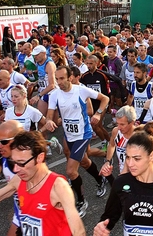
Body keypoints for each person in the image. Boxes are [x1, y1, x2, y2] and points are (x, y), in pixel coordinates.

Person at [0, 131, 86, 236]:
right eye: (14, 162)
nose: (16, 169)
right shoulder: (19, 180)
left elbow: (78, 231)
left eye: (21, 163)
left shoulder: (58, 186)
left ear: (39, 157)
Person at [44, 66, 109, 216]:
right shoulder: (54, 95)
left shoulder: (81, 90)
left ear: (70, 77)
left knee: (71, 171)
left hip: (82, 134)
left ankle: (81, 202)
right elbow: (49, 114)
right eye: (57, 79)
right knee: (85, 162)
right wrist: (48, 121)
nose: (59, 82)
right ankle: (101, 180)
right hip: (69, 134)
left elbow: (105, 99)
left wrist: (98, 114)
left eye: (61, 78)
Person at [100, 105, 137, 185]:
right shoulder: (116, 131)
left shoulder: (138, 136)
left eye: (122, 124)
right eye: (118, 124)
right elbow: (112, 145)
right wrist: (107, 161)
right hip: (122, 172)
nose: (119, 127)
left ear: (132, 122)